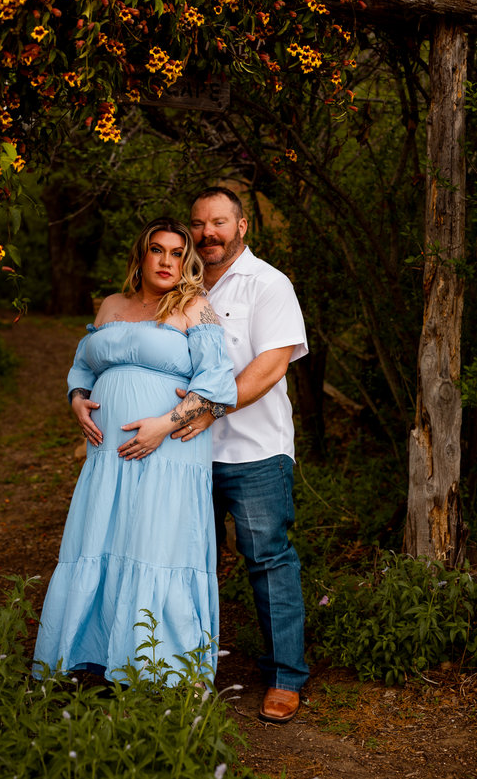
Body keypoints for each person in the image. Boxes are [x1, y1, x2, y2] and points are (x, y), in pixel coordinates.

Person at [33, 217, 237, 684]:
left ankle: (159, 670)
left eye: (177, 253)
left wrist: (163, 425)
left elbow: (217, 383)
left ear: (186, 262)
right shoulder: (110, 305)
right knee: (103, 541)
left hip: (169, 454)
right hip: (107, 457)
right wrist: (77, 399)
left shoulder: (194, 307)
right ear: (141, 256)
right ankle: (96, 656)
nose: (167, 261)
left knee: (154, 543)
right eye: (157, 250)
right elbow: (83, 366)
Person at [172, 186, 310, 723]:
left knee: (269, 561)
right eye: (198, 223)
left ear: (242, 226)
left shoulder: (268, 284)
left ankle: (285, 678)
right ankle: (182, 669)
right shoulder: (178, 286)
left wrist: (207, 410)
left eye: (219, 222)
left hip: (255, 452)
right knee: (185, 560)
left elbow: (269, 367)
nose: (207, 233)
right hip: (185, 453)